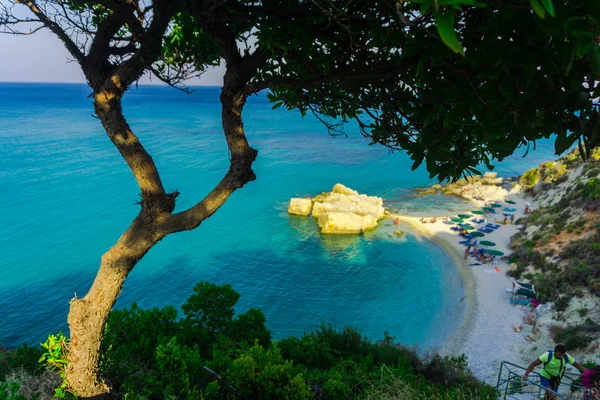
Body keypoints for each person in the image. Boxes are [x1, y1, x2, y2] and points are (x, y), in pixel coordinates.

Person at [522, 344, 586, 399]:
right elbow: (533, 364)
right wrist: (526, 375)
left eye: (562, 355)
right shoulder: (547, 356)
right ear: (555, 352)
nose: (561, 357)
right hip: (545, 376)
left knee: (548, 396)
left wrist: (589, 372)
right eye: (559, 355)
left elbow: (578, 366)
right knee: (551, 394)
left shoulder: (566, 357)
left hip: (556, 379)